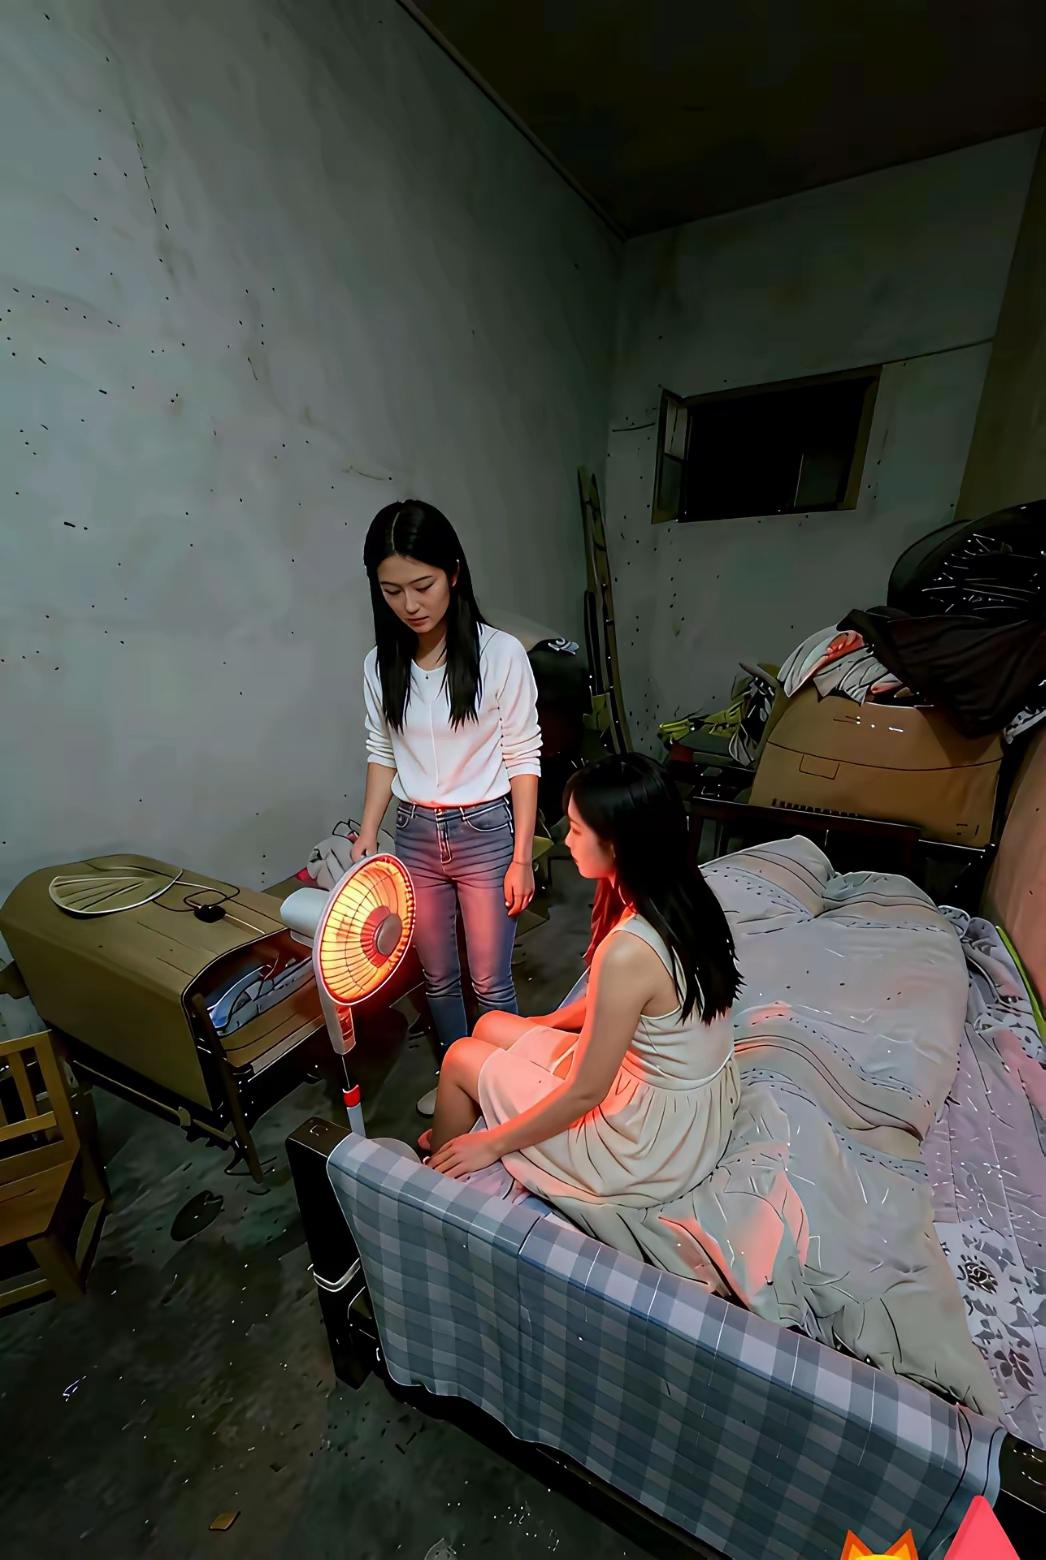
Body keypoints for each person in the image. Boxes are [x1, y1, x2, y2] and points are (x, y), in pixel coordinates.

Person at [428, 753, 742, 1217]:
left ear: (615, 844)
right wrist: (547, 1022)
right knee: (492, 1025)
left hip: (648, 1143)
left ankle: (437, 1179)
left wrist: (492, 1143)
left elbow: (586, 1092)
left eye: (575, 829)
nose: (566, 840)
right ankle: (454, 1127)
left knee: (459, 1057)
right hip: (686, 1104)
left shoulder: (629, 949)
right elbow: (622, 1006)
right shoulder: (685, 894)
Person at [353, 499, 541, 1116]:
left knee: (490, 979)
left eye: (423, 585)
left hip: (485, 832)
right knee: (436, 978)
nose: (410, 604)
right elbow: (382, 751)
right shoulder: (380, 665)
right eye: (392, 591)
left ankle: (504, 1092)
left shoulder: (501, 655)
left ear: (454, 573)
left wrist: (521, 857)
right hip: (413, 834)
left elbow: (524, 756)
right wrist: (368, 831)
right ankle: (460, 1082)